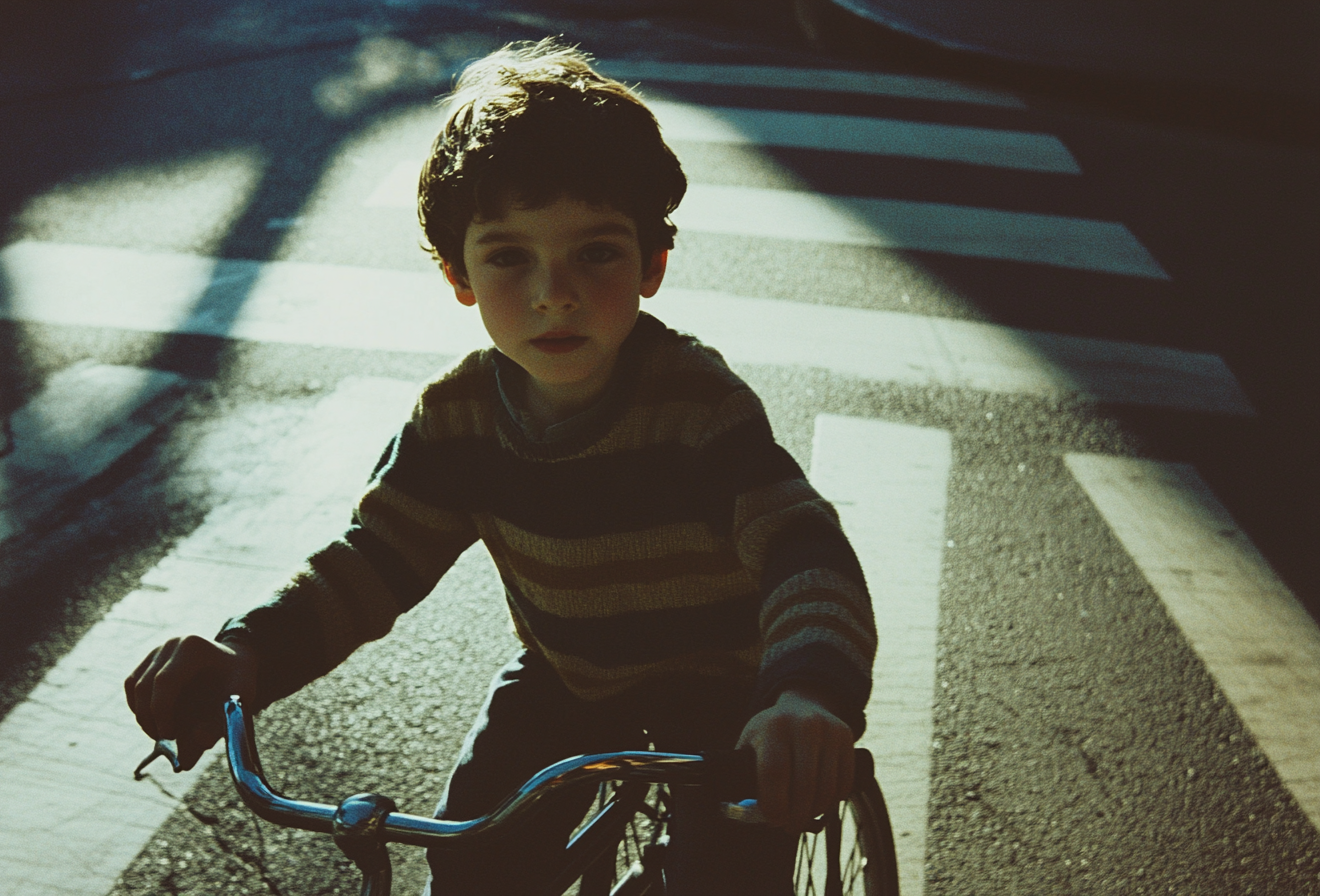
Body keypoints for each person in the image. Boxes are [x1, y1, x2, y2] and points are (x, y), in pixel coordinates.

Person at [125, 38, 876, 895]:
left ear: (653, 265)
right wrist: (245, 654)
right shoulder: (457, 422)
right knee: (473, 863)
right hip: (567, 679)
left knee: (729, 875)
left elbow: (805, 554)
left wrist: (806, 696)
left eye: (596, 252)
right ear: (459, 277)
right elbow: (372, 564)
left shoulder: (699, 411)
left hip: (727, 691)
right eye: (510, 256)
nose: (552, 291)